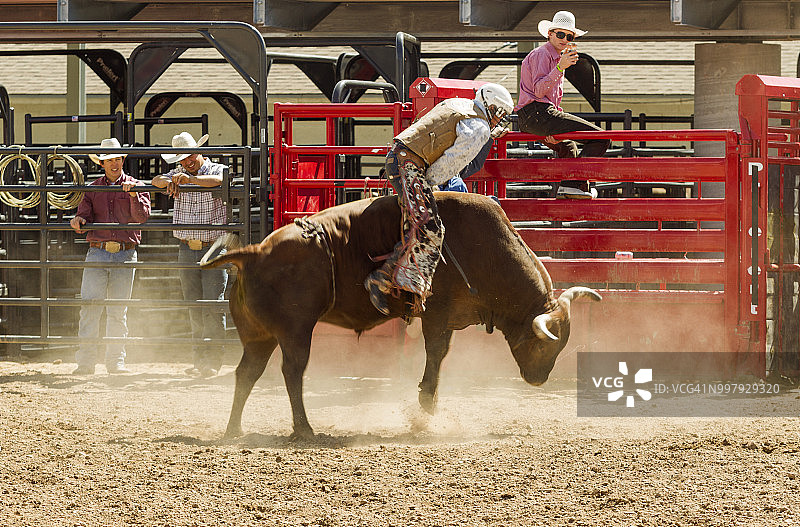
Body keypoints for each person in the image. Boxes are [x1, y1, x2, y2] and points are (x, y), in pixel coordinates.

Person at [364, 83, 514, 315]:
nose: (500, 119)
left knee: (418, 224)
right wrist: (430, 183)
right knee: (431, 229)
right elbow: (452, 163)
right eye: (500, 113)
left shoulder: (461, 105)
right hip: (410, 167)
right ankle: (389, 280)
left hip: (402, 159)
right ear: (491, 107)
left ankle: (400, 285)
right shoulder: (479, 127)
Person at [70, 138, 151, 375]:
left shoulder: (136, 186)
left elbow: (142, 217)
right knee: (91, 308)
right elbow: (83, 215)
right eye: (109, 160)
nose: (114, 164)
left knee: (117, 310)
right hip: (100, 251)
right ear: (102, 163)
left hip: (122, 253)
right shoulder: (93, 189)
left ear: (122, 160)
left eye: (117, 159)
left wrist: (133, 195)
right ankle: (87, 363)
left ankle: (114, 362)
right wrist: (79, 220)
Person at [152, 131, 228, 378]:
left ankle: (212, 360)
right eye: (182, 159)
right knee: (194, 305)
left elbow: (219, 180)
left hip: (212, 246)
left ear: (198, 152)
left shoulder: (216, 169)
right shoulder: (178, 173)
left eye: (190, 156)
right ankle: (201, 360)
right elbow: (156, 180)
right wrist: (171, 181)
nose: (187, 161)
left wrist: (189, 180)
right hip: (187, 247)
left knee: (212, 305)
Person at [515, 10, 611, 199]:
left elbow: (550, 100)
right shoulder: (543, 55)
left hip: (536, 116)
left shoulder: (557, 59)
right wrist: (560, 67)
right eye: (560, 34)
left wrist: (555, 129)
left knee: (568, 146)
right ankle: (576, 184)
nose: (565, 39)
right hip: (537, 113)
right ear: (550, 34)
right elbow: (539, 91)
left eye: (569, 36)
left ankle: (570, 186)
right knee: (602, 138)